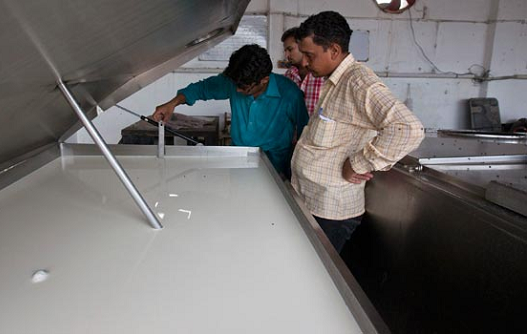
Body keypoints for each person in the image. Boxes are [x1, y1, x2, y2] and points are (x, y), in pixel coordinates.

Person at [291, 11, 425, 252]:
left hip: (330, 211)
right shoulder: (334, 82)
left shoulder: (358, 82)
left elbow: (407, 128)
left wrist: (359, 163)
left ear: (333, 50)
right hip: (313, 201)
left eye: (310, 55)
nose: (304, 63)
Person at [153, 44, 309, 177]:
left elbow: (305, 137)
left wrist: (291, 173)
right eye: (236, 86)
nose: (238, 91)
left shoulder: (290, 94)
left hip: (276, 168)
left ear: (264, 80)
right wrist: (172, 104)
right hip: (238, 162)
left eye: (245, 88)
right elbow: (202, 89)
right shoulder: (235, 82)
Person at [282, 27, 325, 116]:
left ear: (303, 45)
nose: (286, 55)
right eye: (285, 51)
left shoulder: (323, 76)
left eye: (290, 49)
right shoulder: (288, 75)